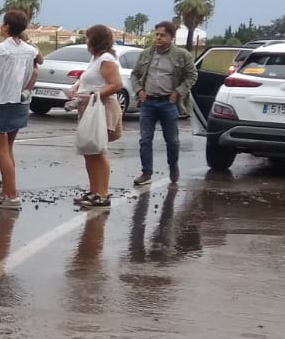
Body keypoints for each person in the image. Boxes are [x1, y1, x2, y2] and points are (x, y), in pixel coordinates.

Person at [0, 7, 41, 210]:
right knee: (9, 149)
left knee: (1, 150)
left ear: (6, 26)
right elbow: (38, 61)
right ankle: (6, 192)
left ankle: (12, 196)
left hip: (1, 101)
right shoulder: (30, 50)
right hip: (21, 102)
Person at [131, 20, 198, 186]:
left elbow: (192, 76)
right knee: (145, 140)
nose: (159, 38)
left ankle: (173, 165)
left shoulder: (182, 55)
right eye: (157, 35)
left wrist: (178, 92)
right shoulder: (146, 54)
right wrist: (139, 90)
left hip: (168, 103)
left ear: (171, 37)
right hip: (148, 103)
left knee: (172, 140)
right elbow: (134, 74)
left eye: (163, 35)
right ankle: (146, 173)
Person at [69, 23, 125, 210]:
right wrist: (77, 87)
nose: (86, 42)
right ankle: (94, 191)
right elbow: (92, 79)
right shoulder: (96, 58)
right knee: (89, 151)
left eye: (88, 38)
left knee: (98, 151)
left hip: (102, 109)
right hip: (90, 108)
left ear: (96, 40)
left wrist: (93, 96)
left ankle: (102, 193)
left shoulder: (107, 59)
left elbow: (116, 84)